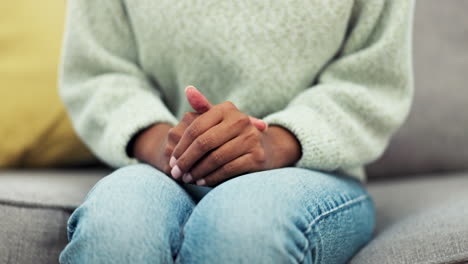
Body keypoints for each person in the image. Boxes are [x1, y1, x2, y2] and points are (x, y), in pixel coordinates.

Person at [58, 0, 415, 263]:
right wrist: (162, 142)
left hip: (310, 172)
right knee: (116, 225)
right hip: (166, 167)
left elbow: (372, 81)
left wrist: (276, 142)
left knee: (243, 227)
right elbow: (98, 71)